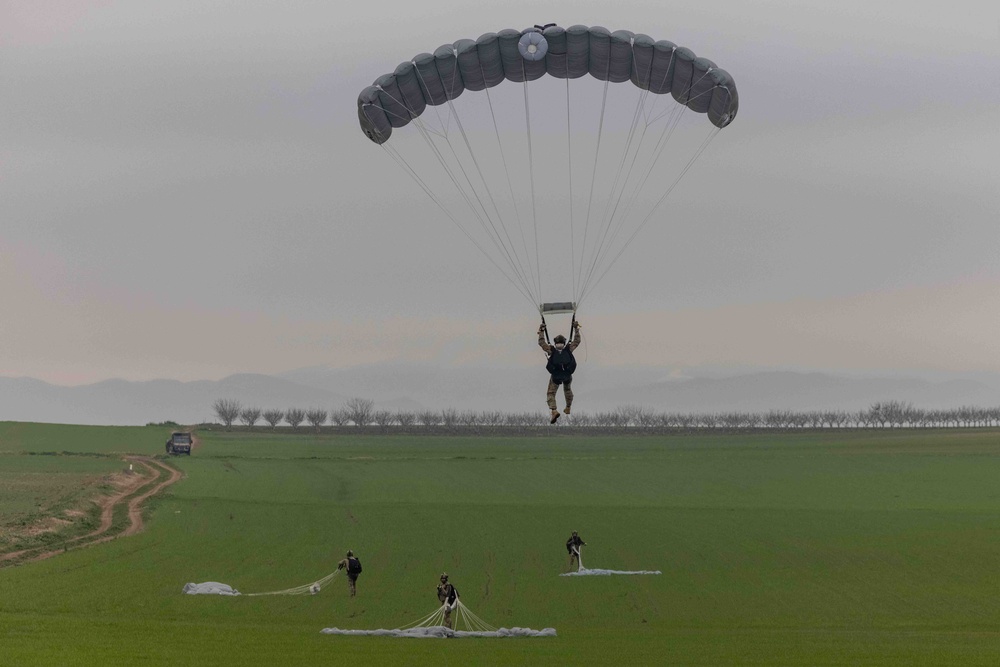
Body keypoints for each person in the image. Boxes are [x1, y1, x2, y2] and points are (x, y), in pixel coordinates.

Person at [537, 322, 582, 423]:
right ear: (564, 342)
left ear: (555, 342)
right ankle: (568, 407)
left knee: (551, 393)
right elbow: (577, 341)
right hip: (567, 375)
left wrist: (541, 331)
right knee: (567, 389)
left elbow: (541, 342)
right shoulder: (569, 349)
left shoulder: (551, 350)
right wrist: (576, 329)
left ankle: (554, 410)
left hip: (556, 376)